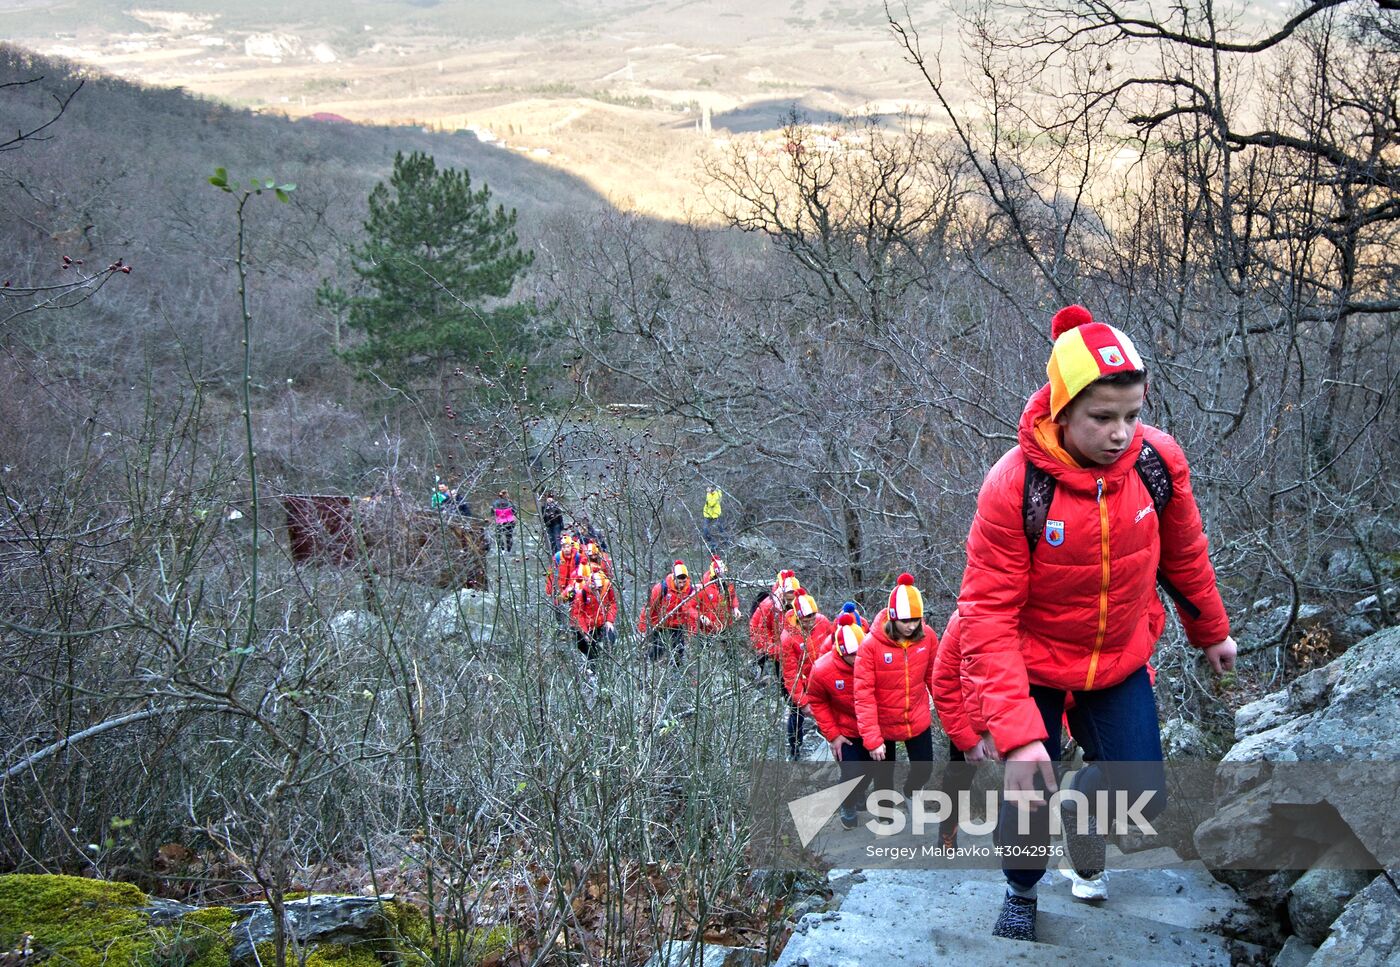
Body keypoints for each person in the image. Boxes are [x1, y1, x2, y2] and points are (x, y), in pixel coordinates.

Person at [957, 305, 1237, 943]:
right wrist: (1020, 733)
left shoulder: (1155, 464)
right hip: (1033, 661)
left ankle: (1084, 809)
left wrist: (1211, 630)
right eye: (1102, 418)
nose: (1121, 433)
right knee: (1029, 789)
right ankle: (1021, 891)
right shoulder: (1016, 486)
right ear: (1061, 410)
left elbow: (1185, 555)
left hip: (1118, 657)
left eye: (1132, 415)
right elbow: (986, 614)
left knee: (1146, 794)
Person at [853, 573, 938, 809]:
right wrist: (872, 739)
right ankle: (885, 813)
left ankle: (911, 790)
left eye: (916, 620)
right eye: (906, 620)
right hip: (883, 722)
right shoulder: (870, 646)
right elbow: (863, 694)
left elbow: (935, 676)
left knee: (925, 767)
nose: (912, 626)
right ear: (893, 617)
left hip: (917, 716)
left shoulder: (928, 637)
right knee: (883, 775)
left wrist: (949, 712)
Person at [930, 612, 998, 852]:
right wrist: (968, 740)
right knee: (958, 778)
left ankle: (1007, 842)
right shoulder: (963, 619)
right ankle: (948, 829)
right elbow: (944, 682)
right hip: (968, 720)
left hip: (1014, 719)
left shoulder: (1040, 611)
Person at [805, 612, 868, 828]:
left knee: (870, 771)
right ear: (841, 652)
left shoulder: (871, 659)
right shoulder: (822, 669)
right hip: (845, 732)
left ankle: (859, 793)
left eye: (862, 652)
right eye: (853, 654)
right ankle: (847, 804)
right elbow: (817, 702)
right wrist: (833, 735)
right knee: (851, 772)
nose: (859, 658)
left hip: (870, 729)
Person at [779, 588, 832, 760]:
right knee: (797, 714)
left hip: (823, 678)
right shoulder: (788, 637)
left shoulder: (822, 623)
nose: (810, 621)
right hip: (800, 681)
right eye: (806, 618)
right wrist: (802, 702)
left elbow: (834, 644)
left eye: (812, 617)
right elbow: (790, 674)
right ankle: (795, 748)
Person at [638, 560, 699, 663]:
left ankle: (676, 673)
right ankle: (649, 666)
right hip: (659, 624)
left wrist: (691, 631)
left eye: (684, 582)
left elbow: (689, 611)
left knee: (679, 650)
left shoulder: (689, 590)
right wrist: (642, 629)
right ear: (673, 578)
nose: (682, 584)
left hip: (677, 624)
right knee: (658, 649)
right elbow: (648, 608)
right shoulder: (661, 588)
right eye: (679, 582)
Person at [750, 569, 799, 680]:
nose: (792, 596)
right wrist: (774, 649)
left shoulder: (798, 603)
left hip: (780, 637)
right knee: (765, 658)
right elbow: (761, 631)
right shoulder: (769, 606)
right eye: (790, 593)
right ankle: (756, 676)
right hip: (762, 633)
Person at [563, 564, 618, 663]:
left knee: (610, 640)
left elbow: (612, 603)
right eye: (595, 589)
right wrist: (585, 632)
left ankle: (607, 662)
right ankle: (591, 668)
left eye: (599, 589)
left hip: (602, 624)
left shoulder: (607, 587)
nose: (597, 591)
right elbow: (578, 614)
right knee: (587, 649)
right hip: (588, 627)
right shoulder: (582, 593)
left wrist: (609, 621)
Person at [695, 555, 741, 635]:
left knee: (728, 645)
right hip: (708, 627)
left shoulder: (727, 582)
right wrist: (700, 616)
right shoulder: (703, 586)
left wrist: (735, 608)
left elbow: (732, 596)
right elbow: (690, 606)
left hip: (726, 624)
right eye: (721, 575)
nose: (723, 577)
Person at [702, 486, 725, 551]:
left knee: (720, 528)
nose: (707, 489)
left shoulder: (716, 494)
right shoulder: (710, 494)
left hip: (715, 514)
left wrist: (709, 493)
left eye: (709, 488)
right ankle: (713, 544)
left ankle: (726, 541)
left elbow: (711, 503)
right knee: (705, 530)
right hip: (708, 514)